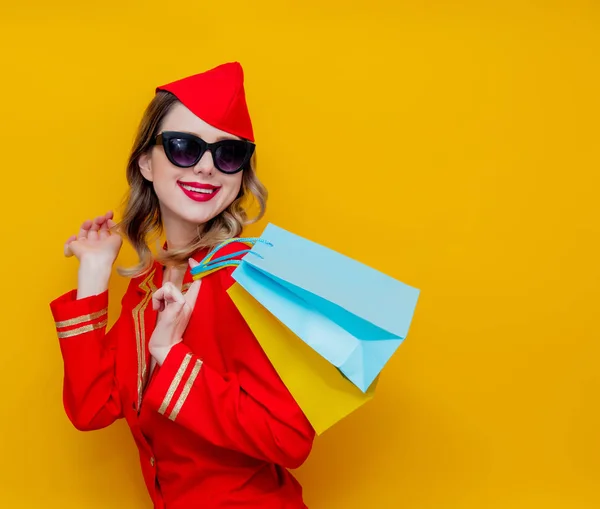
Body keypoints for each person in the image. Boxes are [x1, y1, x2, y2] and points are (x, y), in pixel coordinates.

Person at [49, 61, 315, 509]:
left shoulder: (246, 278)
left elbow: (290, 439)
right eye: (183, 147)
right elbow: (92, 408)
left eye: (228, 154)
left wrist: (172, 358)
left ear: (240, 174)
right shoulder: (148, 286)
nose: (208, 168)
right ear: (146, 164)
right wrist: (93, 275)